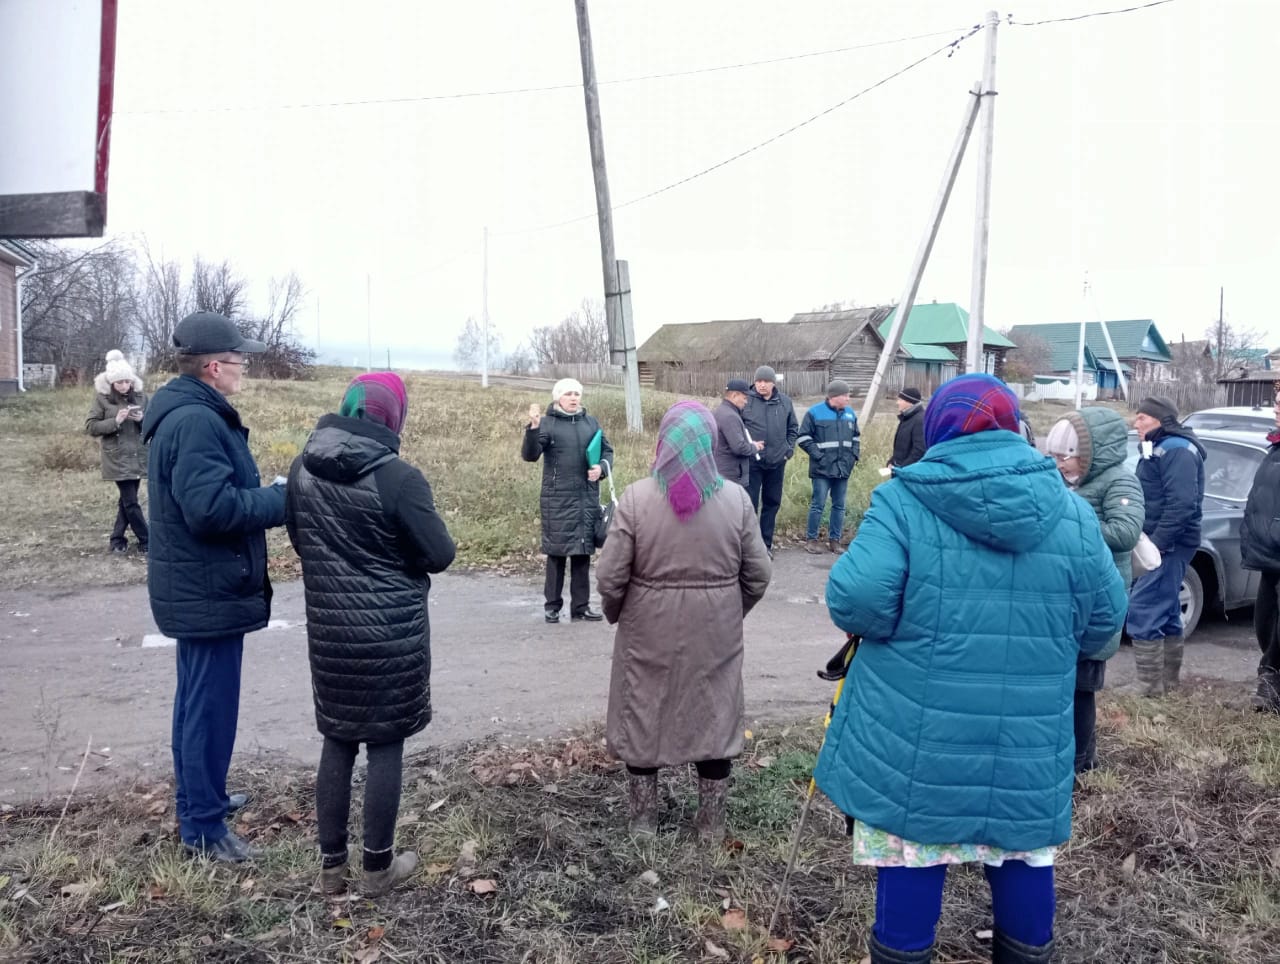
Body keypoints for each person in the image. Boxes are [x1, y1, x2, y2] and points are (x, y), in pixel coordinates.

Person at [813, 373, 1126, 964]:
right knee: (1023, 846)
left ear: (939, 430)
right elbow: (1104, 621)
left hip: (918, 734)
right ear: (1015, 426)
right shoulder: (1070, 509)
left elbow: (857, 603)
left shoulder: (903, 500)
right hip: (1028, 735)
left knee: (914, 844)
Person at [285, 372, 456, 897]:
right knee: (385, 743)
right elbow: (440, 553)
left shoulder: (301, 470)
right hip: (390, 633)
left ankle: (331, 871)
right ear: (392, 416)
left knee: (337, 739)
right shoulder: (399, 478)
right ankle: (378, 869)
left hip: (331, 630)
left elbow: (300, 539)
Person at [142, 311, 287, 863]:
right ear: (211, 366)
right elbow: (210, 510)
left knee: (197, 702)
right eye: (238, 361)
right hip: (206, 589)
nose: (243, 368)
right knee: (208, 707)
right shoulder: (196, 421)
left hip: (201, 586)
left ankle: (204, 799)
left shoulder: (186, 412)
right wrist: (280, 500)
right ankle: (202, 826)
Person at [596, 401, 771, 841]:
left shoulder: (636, 498)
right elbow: (759, 574)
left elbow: (610, 576)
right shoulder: (736, 500)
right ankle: (710, 826)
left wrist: (619, 614)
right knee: (714, 715)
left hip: (648, 630)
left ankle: (643, 822)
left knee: (643, 712)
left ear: (665, 443)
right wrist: (732, 609)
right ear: (710, 443)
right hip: (716, 632)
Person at [1045, 408, 1145, 771]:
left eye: (1066, 458)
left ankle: (1083, 762)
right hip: (1067, 596)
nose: (1059, 466)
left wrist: (1073, 524)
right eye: (1054, 458)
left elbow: (1125, 532)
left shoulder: (1120, 481)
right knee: (1064, 684)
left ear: (1092, 453)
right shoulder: (1071, 482)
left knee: (1082, 688)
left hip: (1098, 599)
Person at [1127, 396, 1205, 696]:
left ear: (1160, 420)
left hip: (1169, 544)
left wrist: (1156, 545)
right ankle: (1168, 684)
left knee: (1144, 607)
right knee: (1168, 608)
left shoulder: (1177, 451)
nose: (1136, 423)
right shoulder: (1159, 448)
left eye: (1142, 418)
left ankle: (1148, 688)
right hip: (1159, 541)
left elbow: (1182, 505)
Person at [522, 378, 612, 623]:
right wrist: (533, 428)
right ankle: (552, 606)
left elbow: (607, 451)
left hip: (586, 497)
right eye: (569, 394)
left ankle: (580, 607)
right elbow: (530, 456)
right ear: (558, 397)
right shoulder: (547, 424)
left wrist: (601, 469)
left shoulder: (590, 422)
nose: (574, 398)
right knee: (557, 554)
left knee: (583, 553)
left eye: (577, 393)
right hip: (557, 500)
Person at [1238, 393, 1280, 714]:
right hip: (1270, 556)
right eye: (1276, 402)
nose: (1276, 408)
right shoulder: (1274, 448)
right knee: (1263, 621)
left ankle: (1270, 687)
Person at [85, 349, 149, 555]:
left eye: (127, 381)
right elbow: (91, 427)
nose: (124, 386)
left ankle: (117, 539)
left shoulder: (141, 397)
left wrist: (142, 420)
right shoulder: (102, 399)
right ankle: (147, 540)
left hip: (138, 456)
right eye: (119, 382)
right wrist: (116, 421)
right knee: (131, 501)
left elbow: (155, 426)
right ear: (111, 383)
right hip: (116, 457)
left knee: (126, 501)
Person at [798, 380, 860, 554]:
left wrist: (853, 456)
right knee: (818, 504)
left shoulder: (850, 414)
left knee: (839, 506)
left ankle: (835, 541)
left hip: (843, 468)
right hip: (822, 469)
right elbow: (803, 438)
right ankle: (811, 540)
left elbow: (856, 437)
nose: (848, 398)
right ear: (834, 396)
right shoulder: (814, 413)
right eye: (845, 395)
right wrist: (819, 456)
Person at [740, 366, 798, 554]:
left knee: (772, 503)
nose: (762, 385)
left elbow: (793, 428)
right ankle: (750, 548)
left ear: (773, 383)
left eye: (765, 381)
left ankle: (765, 545)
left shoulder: (785, 402)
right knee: (750, 504)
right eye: (758, 381)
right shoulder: (746, 401)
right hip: (752, 462)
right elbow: (736, 428)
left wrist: (788, 450)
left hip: (776, 461)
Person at [713, 377, 760, 488]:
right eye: (744, 398)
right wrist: (754, 447)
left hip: (722, 473)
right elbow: (739, 447)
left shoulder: (721, 411)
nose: (746, 401)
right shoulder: (730, 416)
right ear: (734, 395)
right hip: (730, 477)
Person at [889, 387, 926, 468]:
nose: (897, 402)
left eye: (900, 400)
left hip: (908, 472)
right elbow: (902, 447)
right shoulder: (906, 417)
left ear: (909, 402)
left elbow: (919, 451)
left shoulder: (920, 420)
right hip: (899, 468)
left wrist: (902, 469)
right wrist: (892, 461)